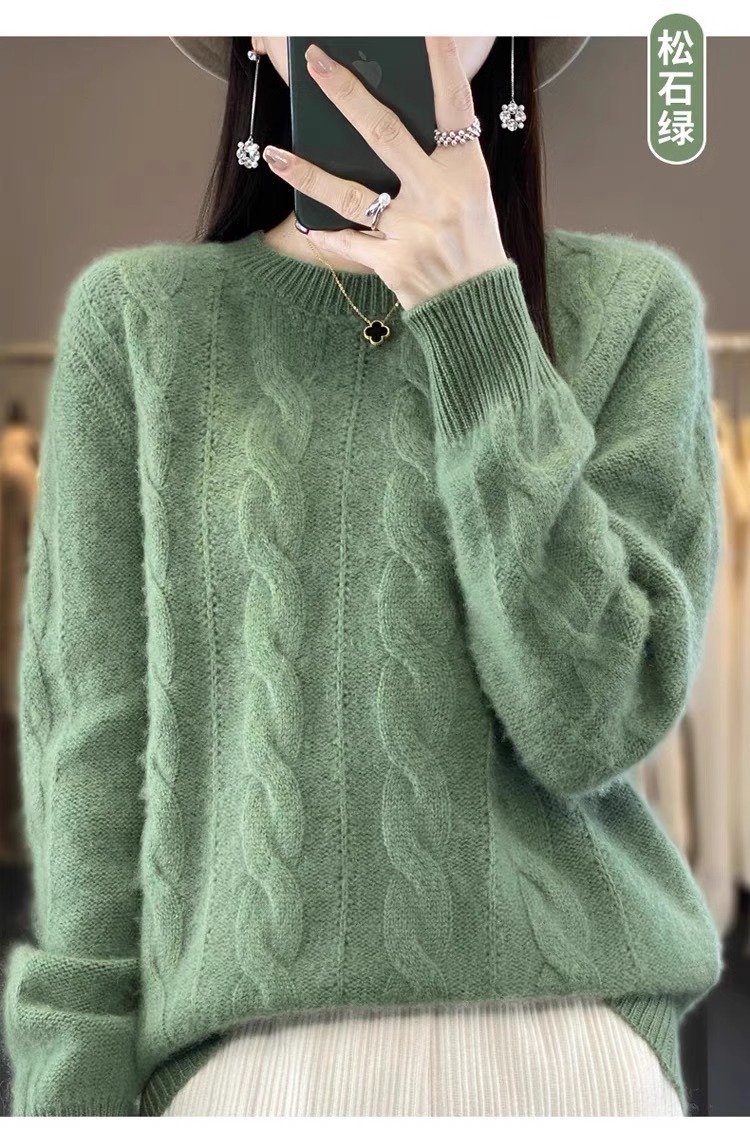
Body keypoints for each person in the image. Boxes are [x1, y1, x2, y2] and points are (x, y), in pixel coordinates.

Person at [1, 34, 723, 1118]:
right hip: (244, 1077)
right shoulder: (141, 324)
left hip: (570, 1059)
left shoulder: (629, 308)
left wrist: (478, 314)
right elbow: (91, 766)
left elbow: (597, 722)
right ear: (253, 29)